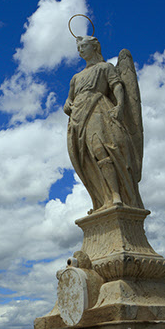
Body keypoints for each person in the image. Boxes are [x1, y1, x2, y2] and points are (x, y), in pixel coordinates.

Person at [64, 35, 144, 213]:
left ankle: (116, 195)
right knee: (87, 158)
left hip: (98, 110)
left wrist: (120, 106)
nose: (80, 50)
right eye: (78, 48)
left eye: (83, 46)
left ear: (94, 47)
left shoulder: (104, 68)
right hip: (78, 117)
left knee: (101, 149)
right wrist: (68, 104)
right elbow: (69, 100)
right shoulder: (76, 77)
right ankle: (101, 199)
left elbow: (117, 86)